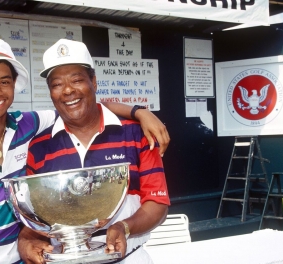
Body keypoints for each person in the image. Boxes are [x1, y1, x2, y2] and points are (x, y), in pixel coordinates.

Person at [0, 38, 170, 264]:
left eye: (4, 82)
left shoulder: (28, 127)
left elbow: (87, 105)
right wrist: (27, 240)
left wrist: (139, 111)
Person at [20, 39, 170, 264]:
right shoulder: (39, 147)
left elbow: (157, 202)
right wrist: (26, 240)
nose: (68, 90)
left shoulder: (136, 133)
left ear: (94, 82)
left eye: (77, 80)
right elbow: (38, 217)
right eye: (57, 84)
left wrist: (125, 227)